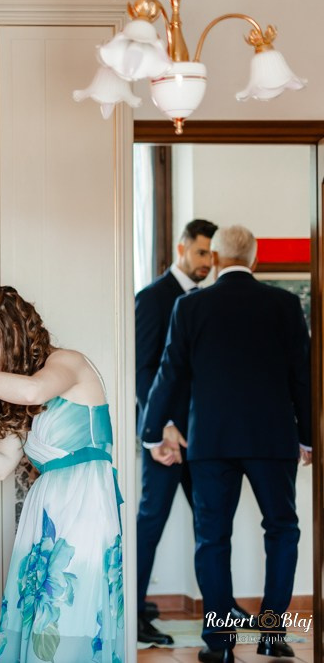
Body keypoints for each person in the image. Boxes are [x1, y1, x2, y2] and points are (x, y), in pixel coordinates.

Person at [140, 225, 312, 663]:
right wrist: (309, 438)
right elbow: (303, 378)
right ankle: (272, 634)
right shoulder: (285, 305)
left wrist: (151, 431)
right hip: (273, 439)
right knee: (282, 530)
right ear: (254, 261)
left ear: (214, 259)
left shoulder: (190, 306)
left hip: (211, 442)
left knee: (212, 538)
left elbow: (169, 372)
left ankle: (218, 645)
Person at [0, 286, 124, 663]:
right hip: (46, 509)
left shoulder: (68, 363)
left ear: (12, 328)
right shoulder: (15, 394)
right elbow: (0, 465)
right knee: (38, 617)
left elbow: (33, 390)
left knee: (71, 615)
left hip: (85, 503)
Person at [135, 219, 249, 644]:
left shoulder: (209, 300)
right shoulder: (152, 298)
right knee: (151, 521)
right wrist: (162, 426)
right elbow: (144, 369)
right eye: (201, 253)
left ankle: (223, 607)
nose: (207, 262)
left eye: (211, 255)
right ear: (182, 248)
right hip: (165, 438)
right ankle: (135, 613)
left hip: (204, 435)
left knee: (213, 523)